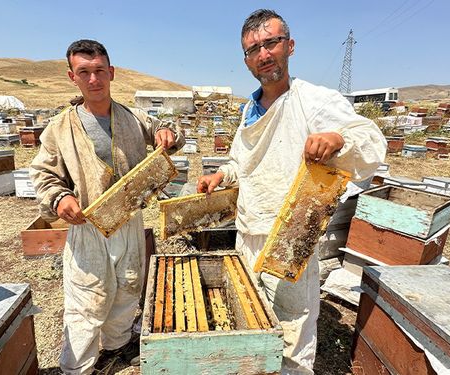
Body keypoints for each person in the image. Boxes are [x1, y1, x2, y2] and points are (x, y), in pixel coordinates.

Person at [197, 9, 387, 375]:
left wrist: (338, 137)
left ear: (290, 46)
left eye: (271, 43)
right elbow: (242, 163)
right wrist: (221, 174)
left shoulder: (314, 100)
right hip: (248, 233)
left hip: (292, 237)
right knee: (250, 321)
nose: (264, 54)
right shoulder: (247, 111)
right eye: (254, 49)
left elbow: (371, 140)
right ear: (247, 60)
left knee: (292, 330)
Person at [30, 39, 184, 375]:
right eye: (84, 72)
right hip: (87, 225)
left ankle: (116, 345)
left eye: (99, 71)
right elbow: (44, 173)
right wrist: (60, 198)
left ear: (111, 73)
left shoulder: (133, 117)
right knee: (87, 299)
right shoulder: (60, 128)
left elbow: (164, 129)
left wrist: (168, 133)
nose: (93, 79)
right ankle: (77, 368)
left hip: (129, 220)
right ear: (73, 77)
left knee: (128, 287)